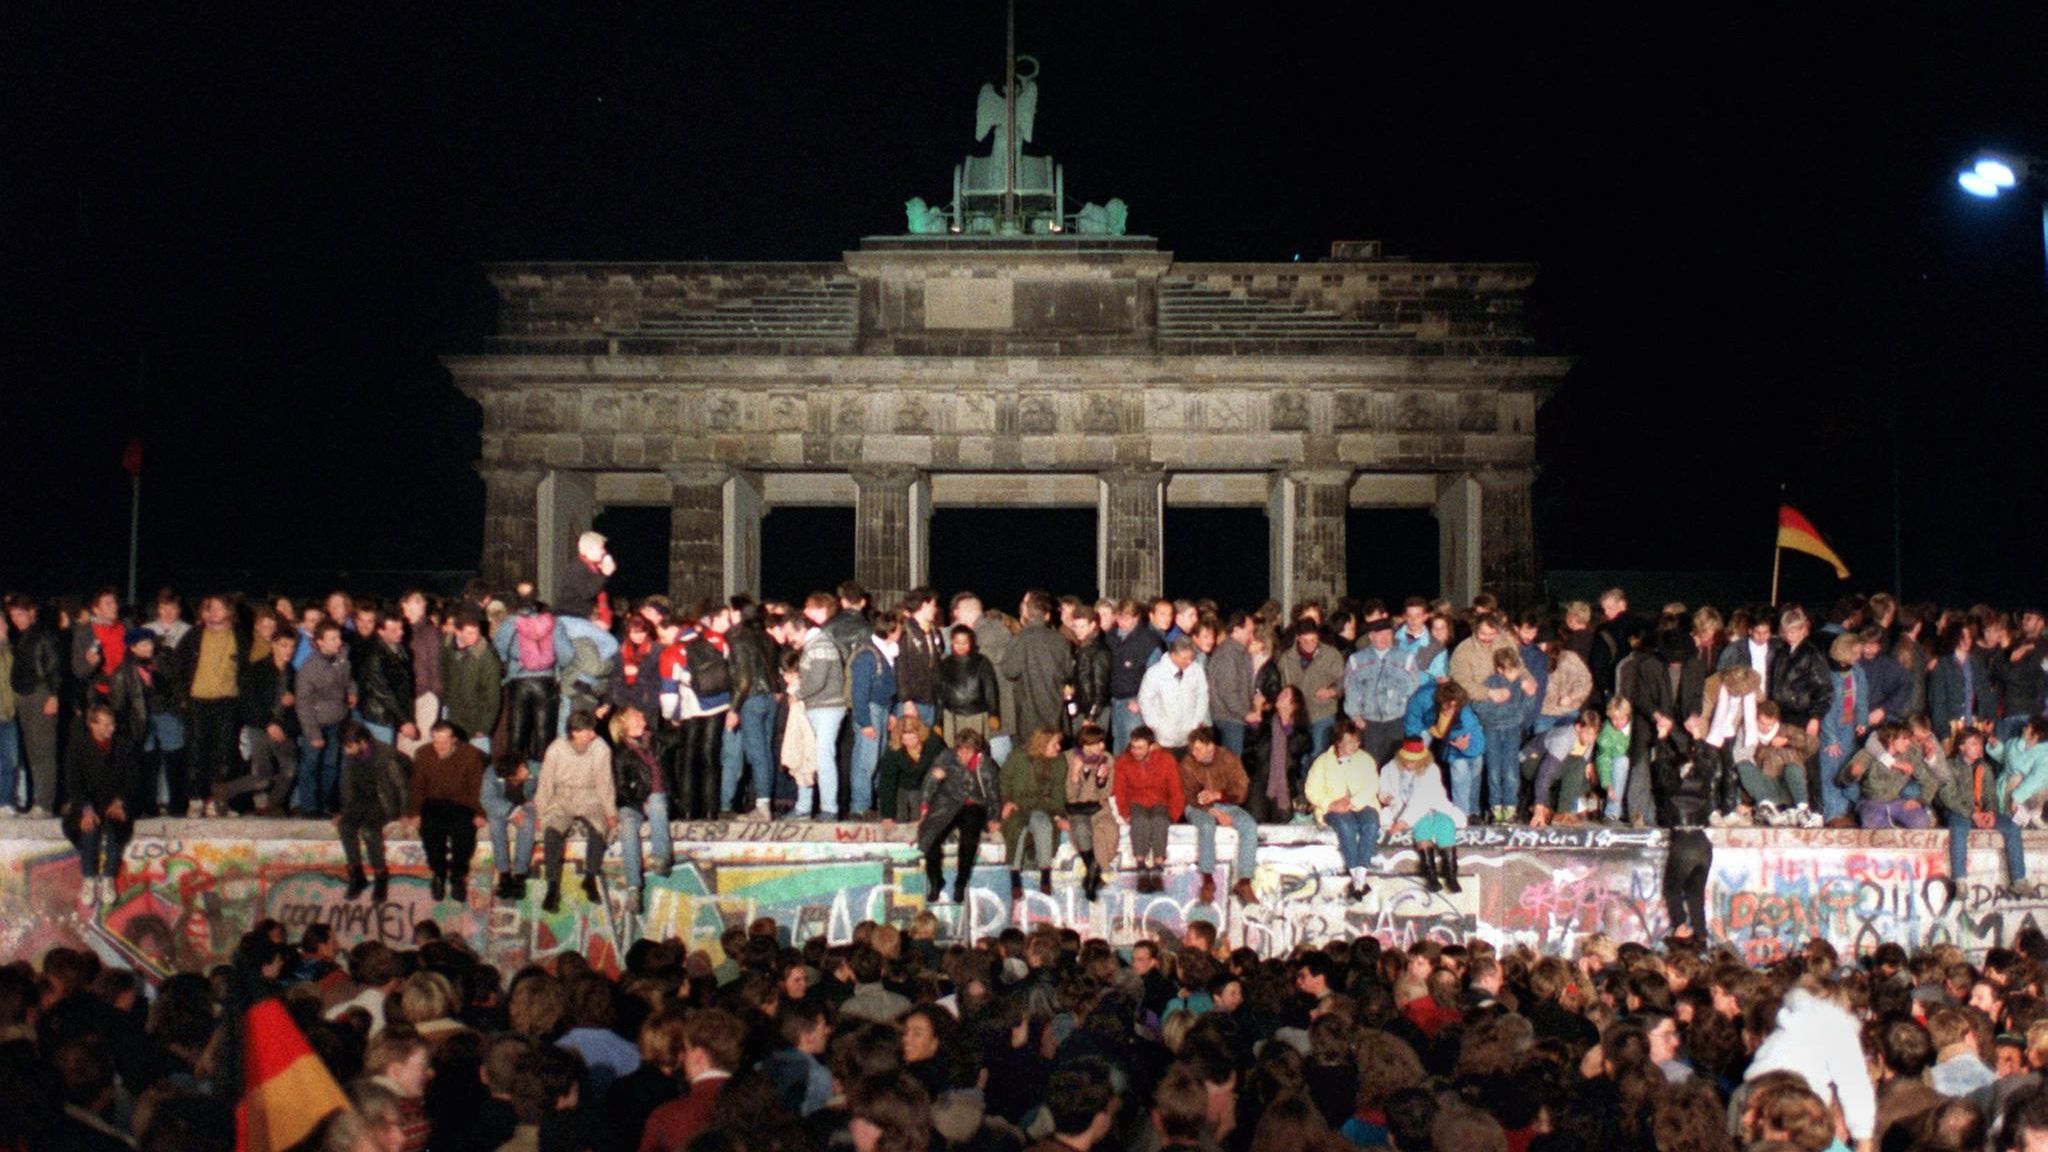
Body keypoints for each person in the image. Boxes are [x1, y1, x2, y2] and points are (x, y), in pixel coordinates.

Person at [536, 710, 616, 913]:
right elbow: (546, 781)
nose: (592, 734)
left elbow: (604, 782)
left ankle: (590, 877)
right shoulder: (556, 749)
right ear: (575, 732)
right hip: (563, 796)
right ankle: (552, 886)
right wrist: (540, 811)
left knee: (599, 829)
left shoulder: (600, 748)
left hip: (590, 795)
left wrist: (610, 812)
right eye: (588, 731)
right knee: (552, 831)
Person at [61, 702, 139, 909]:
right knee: (89, 827)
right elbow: (73, 783)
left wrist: (120, 802)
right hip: (87, 801)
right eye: (105, 725)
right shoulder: (78, 746)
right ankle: (89, 877)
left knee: (115, 826)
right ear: (92, 725)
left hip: (115, 800)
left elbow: (132, 779)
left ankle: (108, 878)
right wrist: (86, 810)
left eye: (111, 724)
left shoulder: (122, 745)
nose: (110, 729)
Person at [405, 720, 488, 904]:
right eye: (436, 741)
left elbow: (478, 788)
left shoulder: (470, 755)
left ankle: (458, 877)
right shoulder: (423, 753)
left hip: (462, 802)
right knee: (431, 832)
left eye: (444, 742)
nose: (439, 746)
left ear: (454, 740)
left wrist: (480, 813)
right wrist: (414, 812)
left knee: (464, 835)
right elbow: (416, 786)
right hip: (433, 803)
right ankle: (439, 874)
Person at [918, 728, 999, 906]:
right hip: (947, 802)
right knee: (930, 837)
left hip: (973, 804)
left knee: (969, 840)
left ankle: (960, 882)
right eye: (960, 749)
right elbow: (929, 782)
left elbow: (993, 794)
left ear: (976, 750)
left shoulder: (985, 765)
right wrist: (925, 806)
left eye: (967, 751)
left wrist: (993, 817)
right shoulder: (946, 757)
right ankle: (935, 880)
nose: (963, 754)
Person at [1305, 717, 1382, 901]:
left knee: (1371, 823)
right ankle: (1358, 879)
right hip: (1334, 807)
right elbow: (1311, 789)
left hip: (1362, 804)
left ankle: (1359, 877)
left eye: (1356, 741)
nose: (1354, 745)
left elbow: (1372, 785)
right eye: (1349, 741)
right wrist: (1330, 804)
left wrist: (1353, 802)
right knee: (1346, 826)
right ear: (1338, 742)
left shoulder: (1365, 759)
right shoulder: (1322, 762)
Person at [1180, 726, 1256, 905]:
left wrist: (1219, 796)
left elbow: (1242, 789)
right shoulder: (1187, 763)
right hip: (1197, 807)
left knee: (1249, 825)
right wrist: (1215, 812)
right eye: (1193, 749)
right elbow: (1189, 796)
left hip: (1226, 804)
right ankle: (1208, 880)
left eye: (1198, 749)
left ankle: (1244, 881)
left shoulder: (1228, 758)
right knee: (1207, 826)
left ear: (1210, 747)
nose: (1194, 753)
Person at [1380, 736, 1464, 894]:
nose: (1410, 764)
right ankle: (1431, 876)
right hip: (1404, 808)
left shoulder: (1431, 769)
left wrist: (1404, 822)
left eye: (1414, 761)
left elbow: (1421, 799)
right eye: (1407, 760)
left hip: (1432, 805)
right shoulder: (1389, 768)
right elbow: (1383, 788)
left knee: (1445, 825)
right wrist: (1385, 795)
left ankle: (1451, 876)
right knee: (1422, 825)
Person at [335, 720, 407, 903]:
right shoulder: (351, 756)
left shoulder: (386, 755)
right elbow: (347, 786)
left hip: (383, 801)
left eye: (349, 746)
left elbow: (401, 786)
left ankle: (380, 876)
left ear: (362, 742)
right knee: (345, 827)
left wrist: (406, 813)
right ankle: (357, 875)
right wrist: (345, 811)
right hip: (360, 800)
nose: (346, 751)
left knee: (369, 831)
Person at [5, 595, 64, 818]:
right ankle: (38, 800)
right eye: (13, 616)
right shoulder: (23, 637)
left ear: (32, 612)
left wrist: (53, 695)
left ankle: (45, 804)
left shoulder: (43, 635)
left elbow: (54, 666)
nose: (16, 620)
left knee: (43, 751)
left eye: (20, 614)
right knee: (32, 751)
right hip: (25, 696)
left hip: (40, 694)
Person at [793, 595, 849, 821]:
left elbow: (818, 681)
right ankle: (804, 807)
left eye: (790, 633)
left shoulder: (821, 644)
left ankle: (829, 808)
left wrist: (797, 693)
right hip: (819, 706)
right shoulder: (817, 644)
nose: (788, 639)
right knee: (810, 755)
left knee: (823, 757)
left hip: (827, 707)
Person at [611, 706, 671, 914]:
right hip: (633, 802)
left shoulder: (654, 741)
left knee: (656, 802)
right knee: (627, 826)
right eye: (637, 715)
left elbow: (677, 739)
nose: (642, 717)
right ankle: (633, 887)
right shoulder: (620, 753)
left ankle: (661, 857)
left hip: (658, 799)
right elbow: (621, 787)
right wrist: (639, 801)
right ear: (624, 723)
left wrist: (655, 734)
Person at [999, 726, 1068, 901]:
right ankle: (1014, 875)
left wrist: (1058, 814)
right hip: (1017, 804)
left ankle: (1045, 872)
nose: (1058, 748)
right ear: (1043, 744)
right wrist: (1006, 802)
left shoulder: (1059, 762)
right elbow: (1004, 781)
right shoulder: (1018, 757)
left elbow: (1058, 792)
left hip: (1040, 805)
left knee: (1044, 826)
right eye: (1055, 744)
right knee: (1017, 829)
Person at [1112, 727, 1184, 894]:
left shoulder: (1166, 760)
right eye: (1133, 747)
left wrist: (1173, 814)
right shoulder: (1123, 762)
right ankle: (1141, 866)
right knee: (1139, 821)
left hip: (1160, 800)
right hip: (1136, 801)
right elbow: (1120, 791)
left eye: (1140, 748)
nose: (1135, 752)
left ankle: (1158, 866)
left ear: (1151, 747)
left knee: (1160, 820)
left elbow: (1176, 790)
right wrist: (1125, 813)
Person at [295, 620, 355, 817]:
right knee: (311, 766)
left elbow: (349, 679)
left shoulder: (342, 656)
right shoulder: (309, 669)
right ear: (320, 642)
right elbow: (303, 703)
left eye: (338, 637)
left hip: (338, 719)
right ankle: (309, 807)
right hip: (317, 722)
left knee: (332, 764)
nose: (338, 642)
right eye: (333, 639)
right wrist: (313, 734)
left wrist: (352, 692)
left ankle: (327, 804)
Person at [1471, 647, 1537, 823]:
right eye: (1509, 671)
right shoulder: (1490, 683)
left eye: (1516, 670)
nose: (1514, 674)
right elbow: (1478, 706)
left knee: (1510, 768)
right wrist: (1493, 712)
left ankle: (1510, 806)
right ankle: (1495, 807)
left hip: (1512, 729)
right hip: (1492, 728)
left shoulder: (1519, 684)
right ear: (1500, 669)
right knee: (1493, 768)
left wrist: (1529, 696)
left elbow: (1527, 706)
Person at [1343, 617, 1419, 767]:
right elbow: (1351, 689)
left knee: (1395, 764)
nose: (1384, 638)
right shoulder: (1356, 660)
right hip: (1369, 722)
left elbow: (1413, 686)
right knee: (1371, 764)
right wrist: (1355, 715)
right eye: (1379, 634)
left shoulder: (1407, 659)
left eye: (1388, 634)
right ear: (1371, 636)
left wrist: (1398, 700)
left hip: (1396, 721)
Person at [847, 613, 901, 819]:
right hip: (870, 710)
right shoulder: (868, 654)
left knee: (876, 759)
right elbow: (859, 691)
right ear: (890, 630)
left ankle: (869, 804)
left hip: (881, 709)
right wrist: (865, 721)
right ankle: (859, 807)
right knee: (866, 761)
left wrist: (891, 711)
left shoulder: (884, 652)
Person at [1063, 724, 1120, 901]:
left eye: (1102, 742)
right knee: (1080, 829)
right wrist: (1074, 774)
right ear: (1085, 745)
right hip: (1075, 807)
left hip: (1098, 806)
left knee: (1107, 829)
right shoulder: (1067, 758)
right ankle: (1093, 874)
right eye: (1097, 743)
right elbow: (1068, 795)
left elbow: (1106, 793)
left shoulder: (1107, 759)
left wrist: (1101, 779)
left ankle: (1092, 874)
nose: (1101, 747)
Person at [1277, 617, 1345, 762]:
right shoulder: (1286, 659)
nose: (1310, 645)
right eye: (1306, 641)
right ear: (1297, 638)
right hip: (1298, 715)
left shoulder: (1331, 655)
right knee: (1297, 755)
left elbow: (1345, 681)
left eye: (1313, 640)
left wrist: (1333, 691)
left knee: (1318, 755)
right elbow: (1283, 686)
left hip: (1322, 712)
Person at [1247, 684, 1311, 823]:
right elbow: (1252, 745)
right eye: (1281, 692)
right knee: (1256, 823)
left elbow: (1296, 749)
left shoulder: (1301, 731)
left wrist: (1286, 724)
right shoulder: (1266, 722)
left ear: (1294, 704)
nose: (1281, 694)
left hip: (1286, 785)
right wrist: (1258, 711)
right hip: (1261, 781)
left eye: (1286, 694)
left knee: (1283, 826)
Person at [1137, 638, 1209, 755]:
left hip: (1189, 735)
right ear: (1173, 655)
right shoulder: (1155, 673)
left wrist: (1196, 722)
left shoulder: (1196, 670)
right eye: (1184, 658)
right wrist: (1155, 725)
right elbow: (1145, 700)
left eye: (1191, 657)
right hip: (1163, 737)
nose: (1189, 661)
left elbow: (1202, 696)